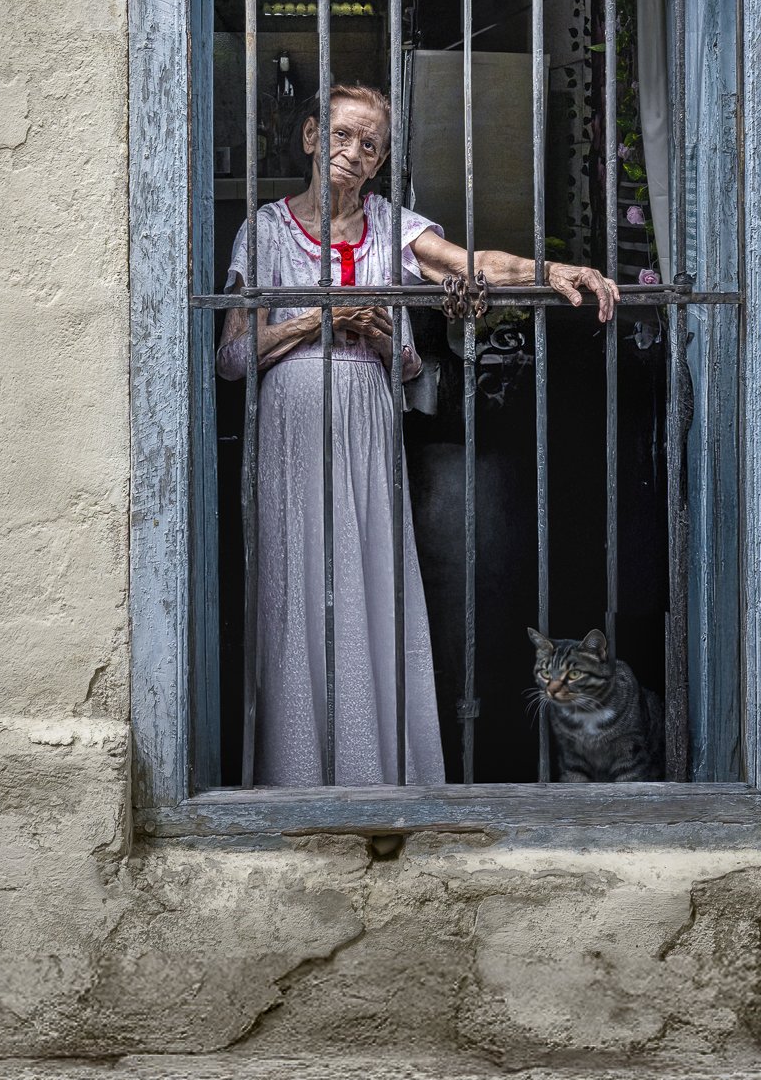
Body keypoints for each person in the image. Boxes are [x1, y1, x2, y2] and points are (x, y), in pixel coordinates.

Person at [217, 83, 618, 786]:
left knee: (370, 583)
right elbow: (229, 357)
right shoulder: (265, 231)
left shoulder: (392, 227)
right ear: (311, 136)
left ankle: (376, 774)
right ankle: (298, 780)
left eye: (369, 144)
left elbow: (470, 266)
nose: (353, 153)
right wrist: (318, 318)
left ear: (381, 161)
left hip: (368, 433)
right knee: (297, 585)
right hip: (291, 438)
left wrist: (555, 271)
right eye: (341, 135)